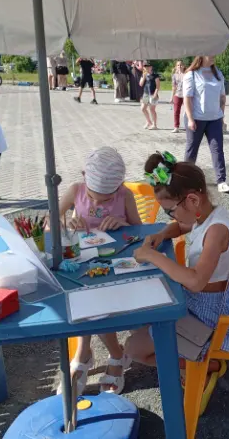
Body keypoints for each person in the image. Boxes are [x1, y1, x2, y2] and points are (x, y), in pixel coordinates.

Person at [125, 152, 229, 401]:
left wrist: (152, 255)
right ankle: (195, 357)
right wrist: (162, 234)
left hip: (211, 312)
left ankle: (207, 363)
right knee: (140, 320)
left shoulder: (217, 231)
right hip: (205, 300)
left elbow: (195, 281)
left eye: (170, 211)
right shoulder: (204, 215)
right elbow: (183, 226)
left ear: (192, 199)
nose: (171, 217)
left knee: (133, 349)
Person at [56, 146, 142, 396]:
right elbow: (51, 221)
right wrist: (66, 223)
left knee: (94, 302)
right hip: (81, 263)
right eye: (92, 197)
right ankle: (100, 353)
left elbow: (140, 230)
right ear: (84, 176)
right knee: (81, 298)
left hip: (115, 263)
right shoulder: (75, 190)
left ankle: (88, 355)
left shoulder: (124, 195)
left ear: (119, 186)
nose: (96, 203)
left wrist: (123, 223)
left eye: (105, 201)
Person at [183, 56, 229, 193]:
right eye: (211, 54)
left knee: (217, 149)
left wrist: (221, 116)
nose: (214, 56)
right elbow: (187, 98)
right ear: (202, 55)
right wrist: (190, 119)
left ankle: (221, 181)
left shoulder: (218, 73)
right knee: (192, 150)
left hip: (215, 119)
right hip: (196, 118)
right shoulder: (191, 74)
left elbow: (222, 97)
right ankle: (186, 181)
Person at [139, 63, 160, 130]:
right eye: (145, 66)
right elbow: (141, 84)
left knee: (152, 109)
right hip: (146, 93)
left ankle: (154, 125)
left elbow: (158, 86)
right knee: (143, 108)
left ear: (151, 67)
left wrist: (155, 94)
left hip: (153, 94)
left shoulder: (155, 75)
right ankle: (149, 122)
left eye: (148, 66)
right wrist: (144, 77)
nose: (147, 68)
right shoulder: (144, 74)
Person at [171, 60, 185, 133]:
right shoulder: (174, 75)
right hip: (177, 94)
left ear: (184, 66)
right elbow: (174, 87)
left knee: (187, 111)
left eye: (181, 65)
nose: (180, 66)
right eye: (178, 65)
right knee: (176, 111)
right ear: (176, 66)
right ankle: (176, 127)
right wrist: (172, 97)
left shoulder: (187, 74)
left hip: (186, 95)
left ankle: (189, 125)